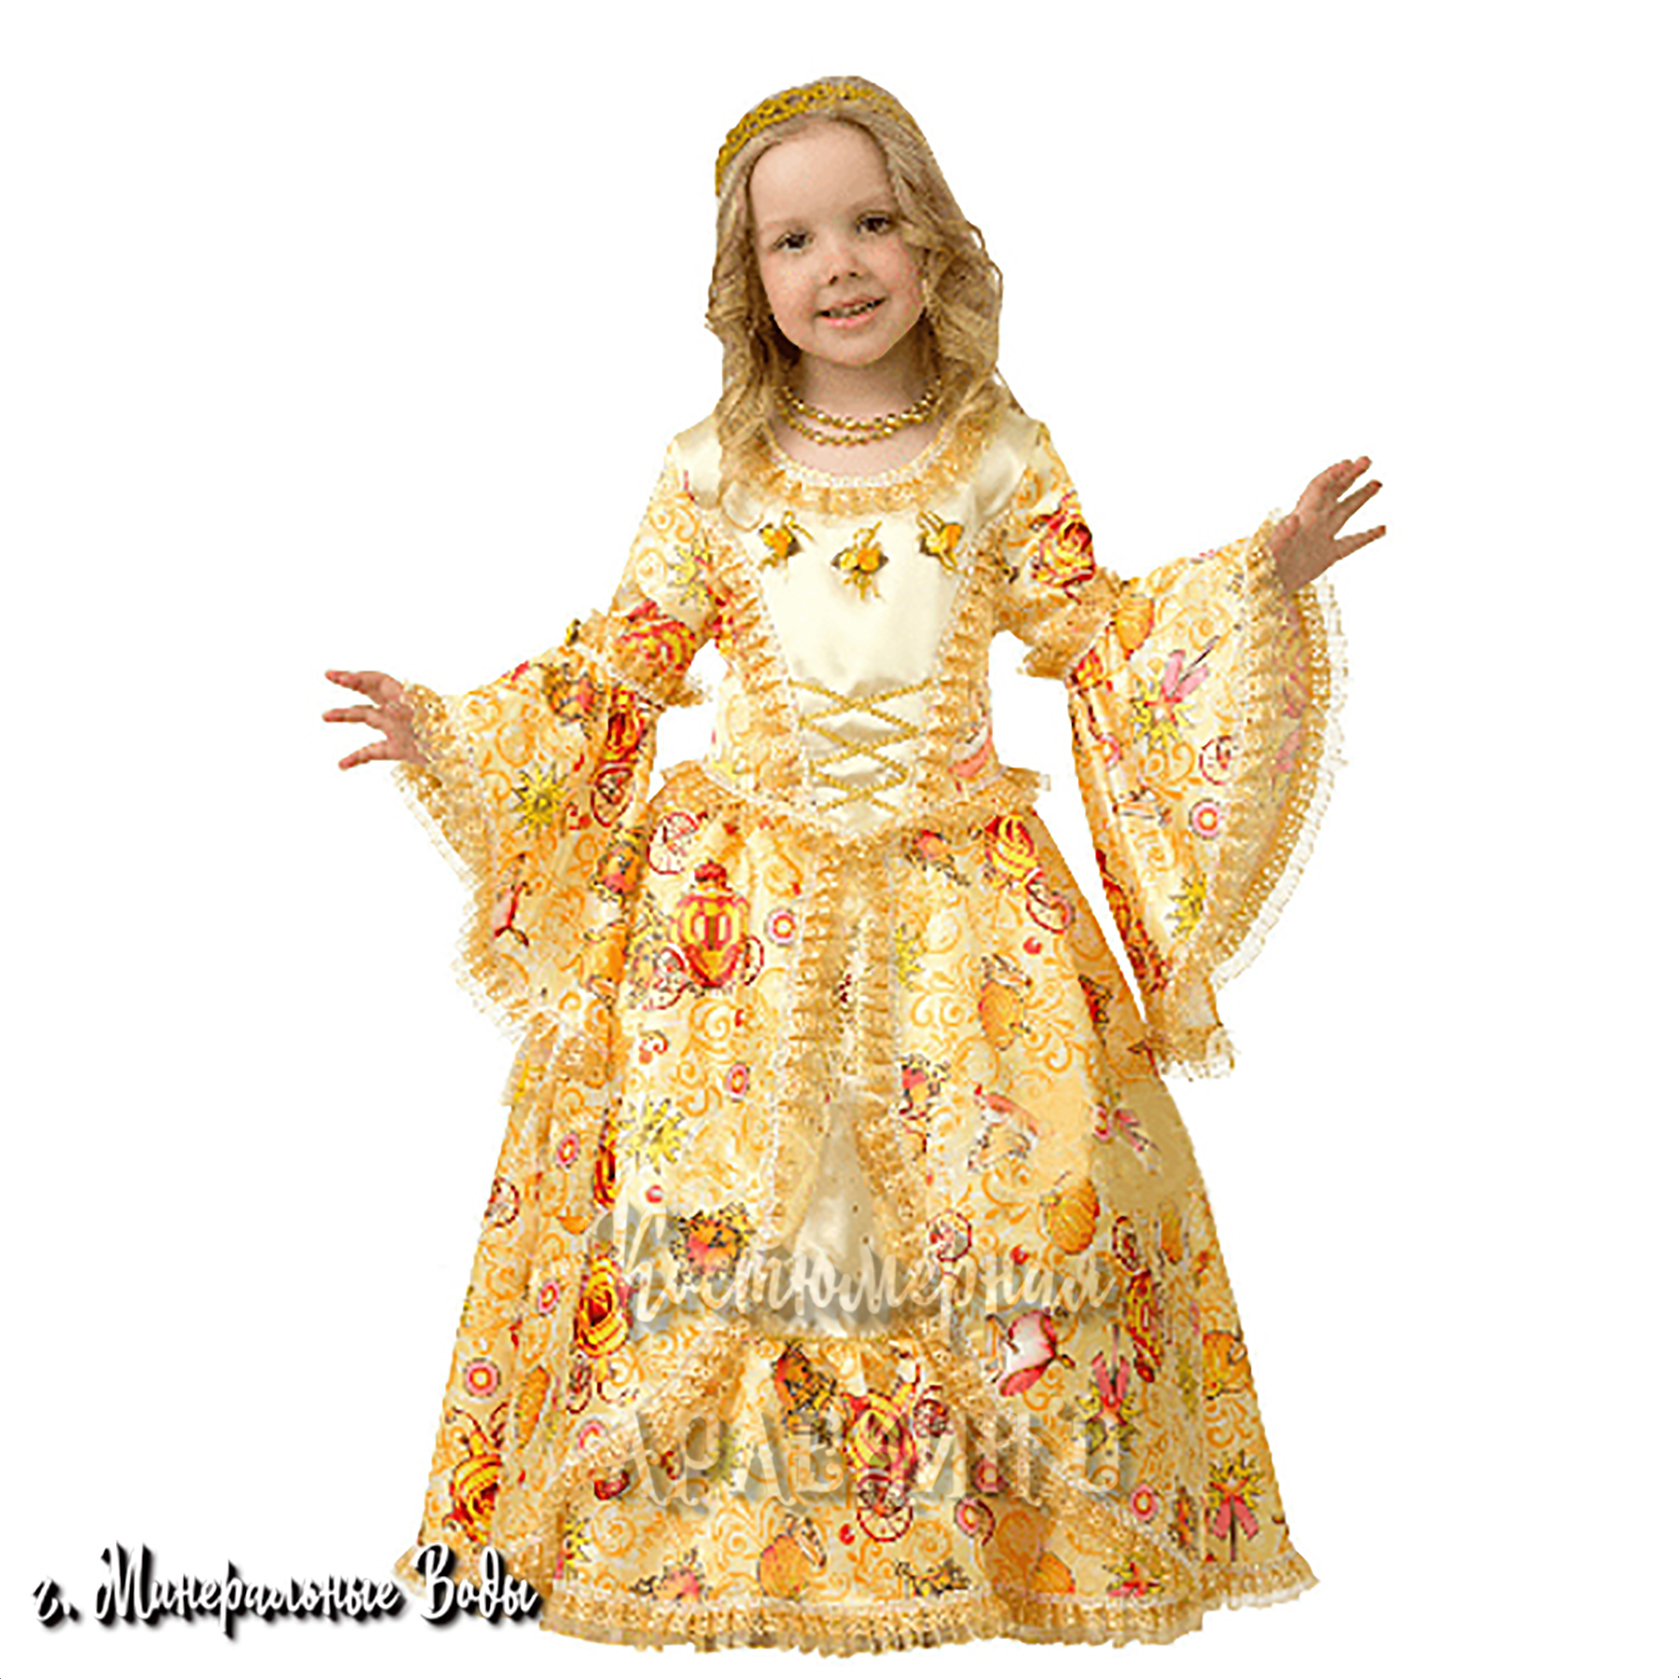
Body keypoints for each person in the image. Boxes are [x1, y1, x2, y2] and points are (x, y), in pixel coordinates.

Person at [323, 75, 1383, 1653]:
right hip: (736, 931)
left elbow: (1098, 635)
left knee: (1018, 1201)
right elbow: (623, 668)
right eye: (794, 239)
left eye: (872, 222)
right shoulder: (710, 470)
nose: (839, 265)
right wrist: (458, 730)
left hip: (966, 920)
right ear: (746, 277)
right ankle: (718, 1545)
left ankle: (988, 1545)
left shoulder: (1000, 455)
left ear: (932, 241)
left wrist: (1255, 578)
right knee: (719, 1208)